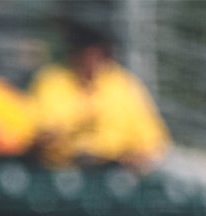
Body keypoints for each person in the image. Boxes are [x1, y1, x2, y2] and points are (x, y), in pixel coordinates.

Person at [28, 18, 169, 172]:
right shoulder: (51, 81)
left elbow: (152, 140)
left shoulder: (122, 85)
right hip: (60, 169)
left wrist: (138, 157)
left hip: (111, 169)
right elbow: (34, 133)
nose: (91, 62)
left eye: (98, 55)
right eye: (86, 54)